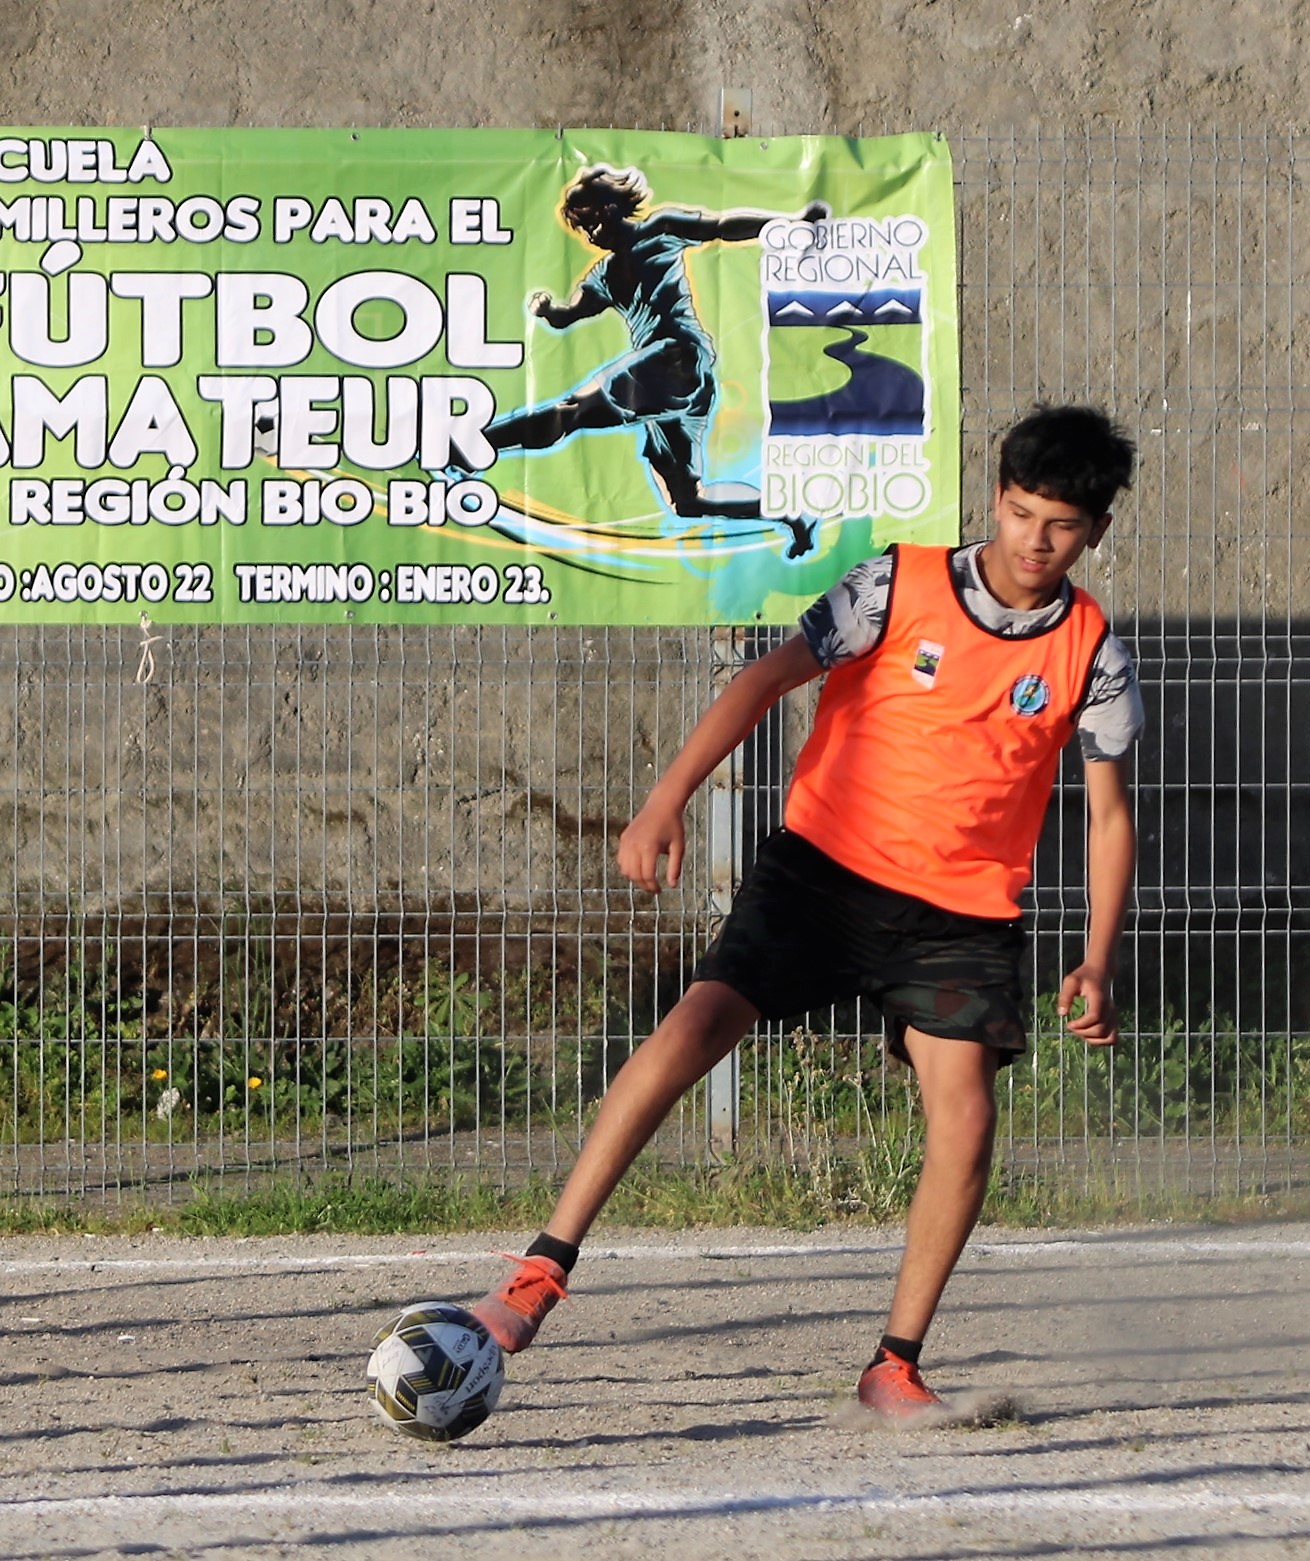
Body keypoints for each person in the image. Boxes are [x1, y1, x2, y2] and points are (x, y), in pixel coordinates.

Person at [467, 405, 1145, 1417]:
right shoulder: (896, 585)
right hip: (821, 874)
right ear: (996, 498)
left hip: (958, 916)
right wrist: (666, 799)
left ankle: (894, 1364)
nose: (1034, 541)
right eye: (1019, 513)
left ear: (1095, 530)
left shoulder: (1092, 652)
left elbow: (1108, 814)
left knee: (966, 1119)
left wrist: (1095, 956)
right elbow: (764, 676)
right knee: (691, 1028)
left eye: (1061, 525)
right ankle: (541, 1268)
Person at [485, 164, 826, 556]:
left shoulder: (660, 230)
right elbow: (570, 315)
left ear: (611, 208)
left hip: (676, 356)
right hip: (685, 386)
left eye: (593, 223)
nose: (592, 236)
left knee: (572, 411)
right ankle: (789, 514)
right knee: (688, 502)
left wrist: (791, 224)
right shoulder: (604, 275)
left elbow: (723, 227)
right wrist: (549, 311)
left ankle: (482, 442)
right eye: (584, 230)